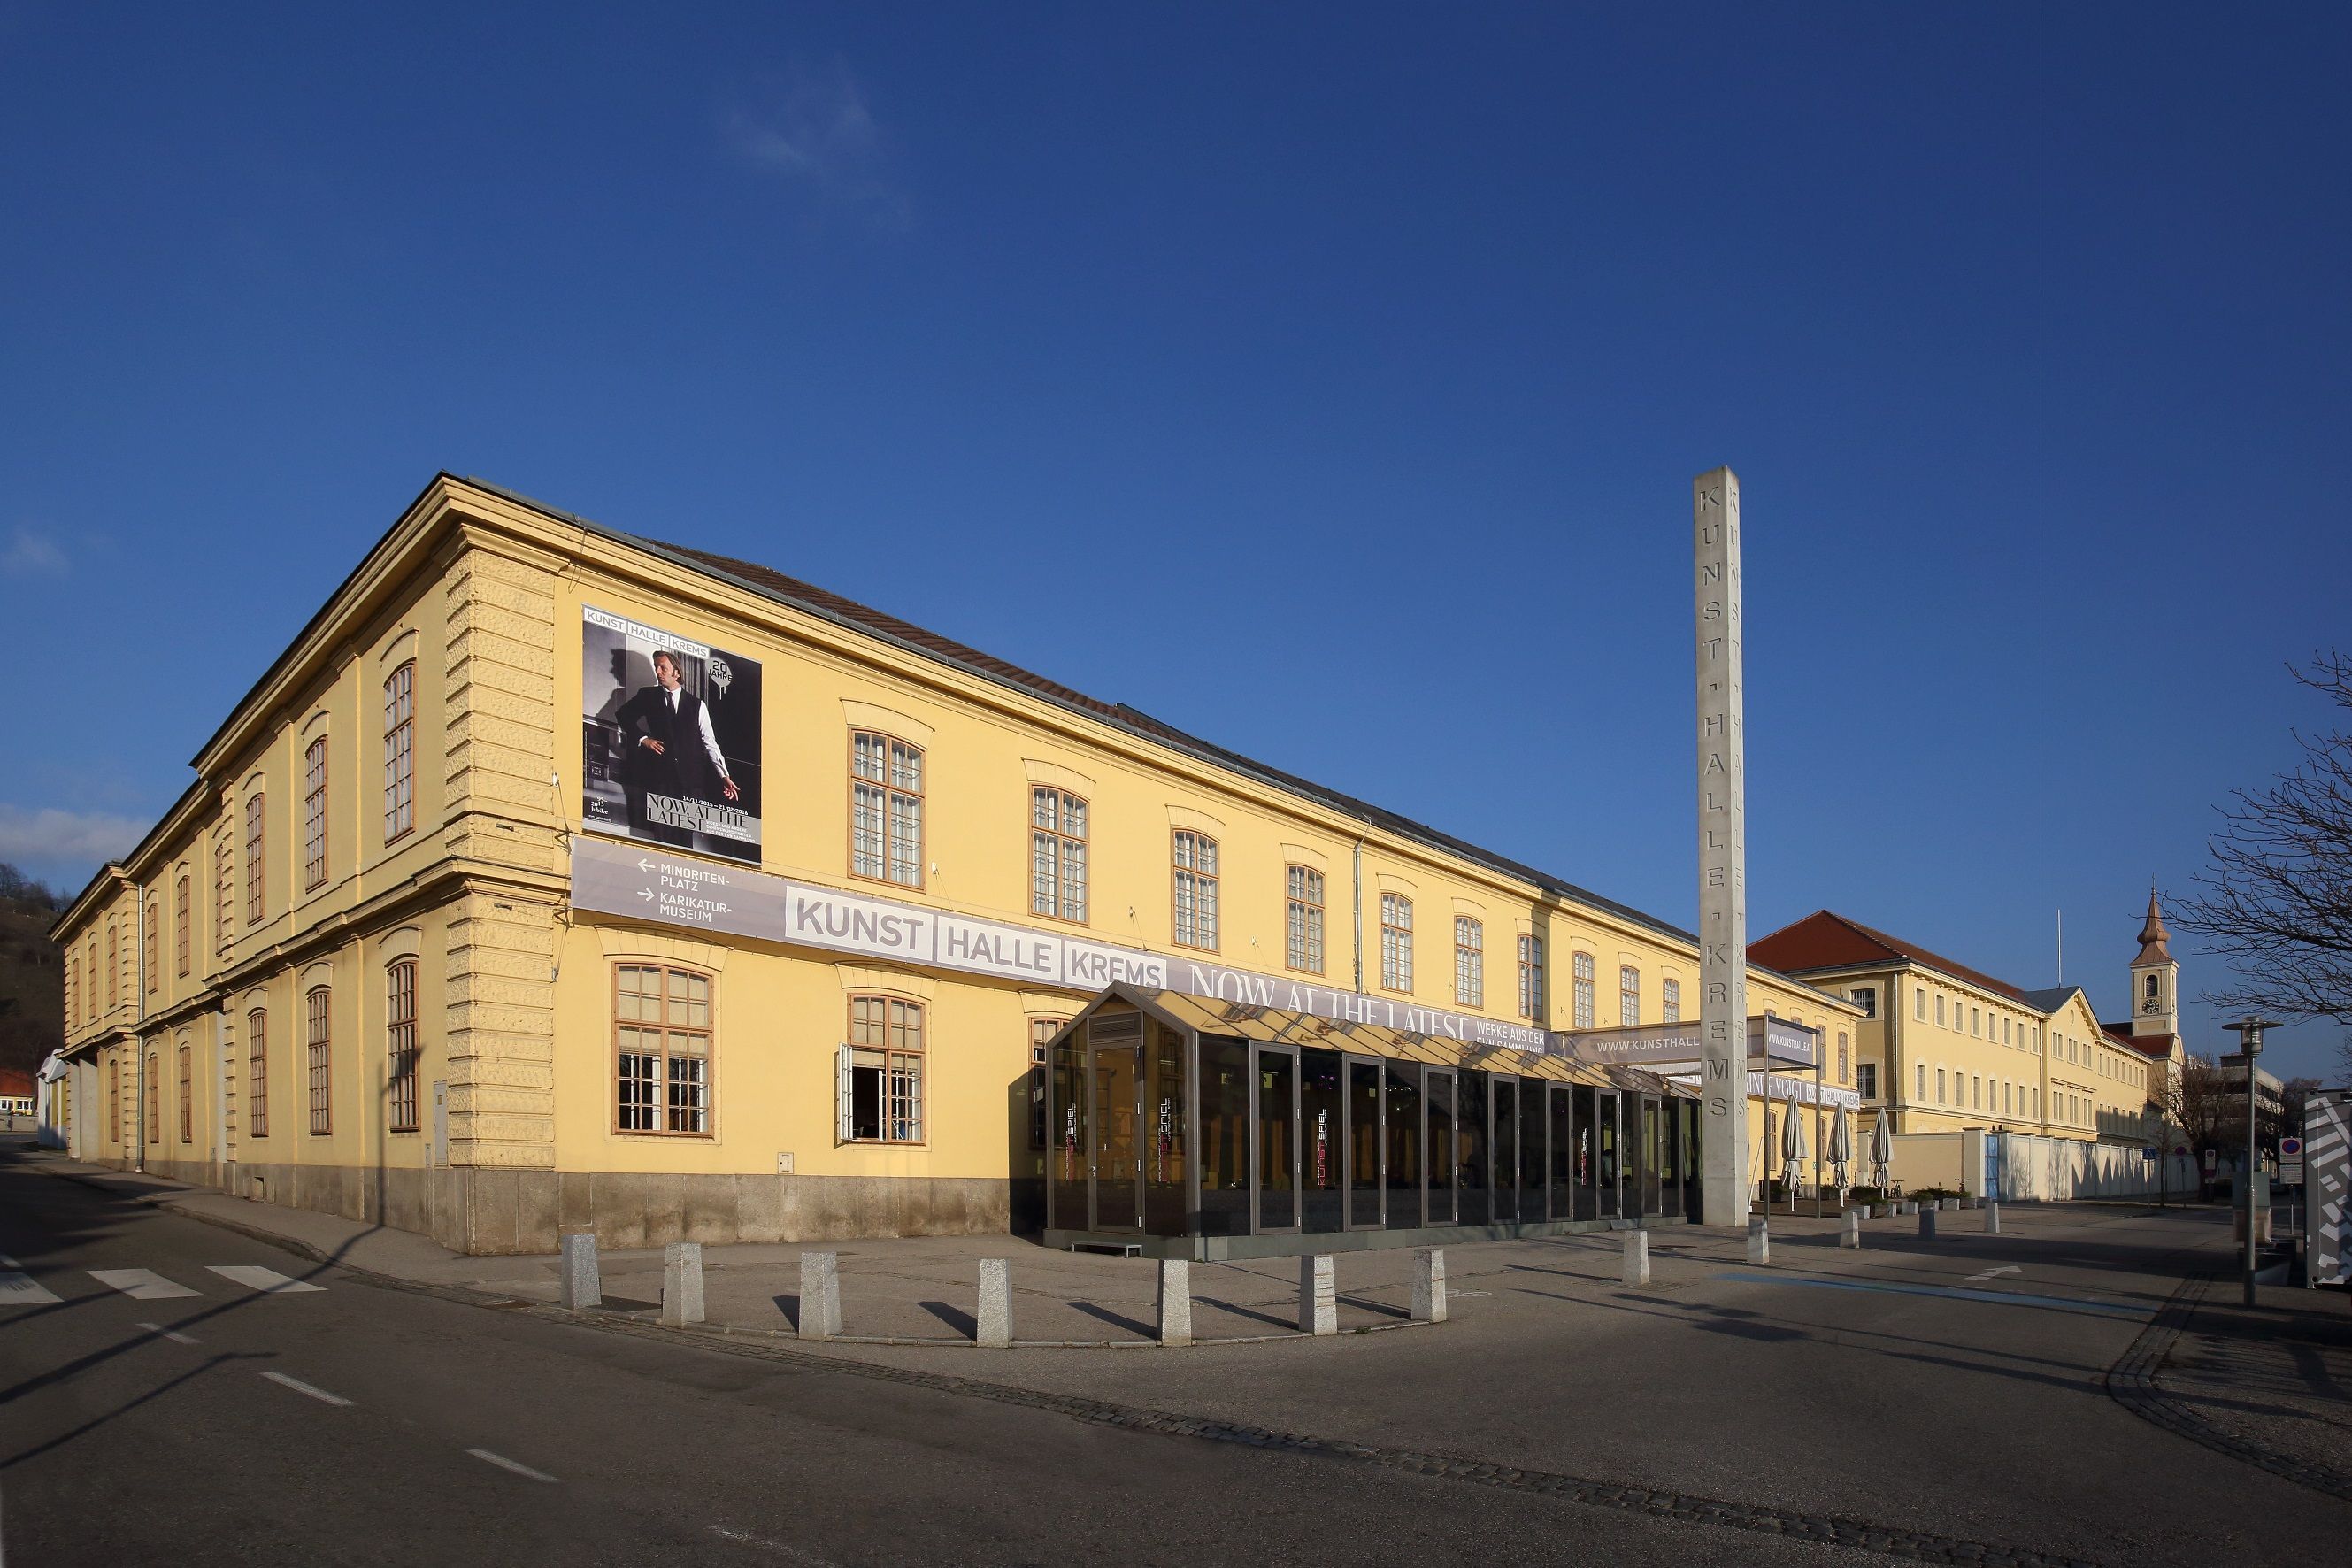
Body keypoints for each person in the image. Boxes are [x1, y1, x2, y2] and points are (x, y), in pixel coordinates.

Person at [614, 649, 740, 843]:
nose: (658, 671)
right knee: (661, 836)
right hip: (660, 777)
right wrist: (644, 739)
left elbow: (710, 742)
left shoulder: (697, 705)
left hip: (689, 782)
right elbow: (623, 715)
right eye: (656, 667)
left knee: (685, 839)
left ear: (676, 673)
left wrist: (724, 776)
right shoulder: (648, 695)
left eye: (662, 667)